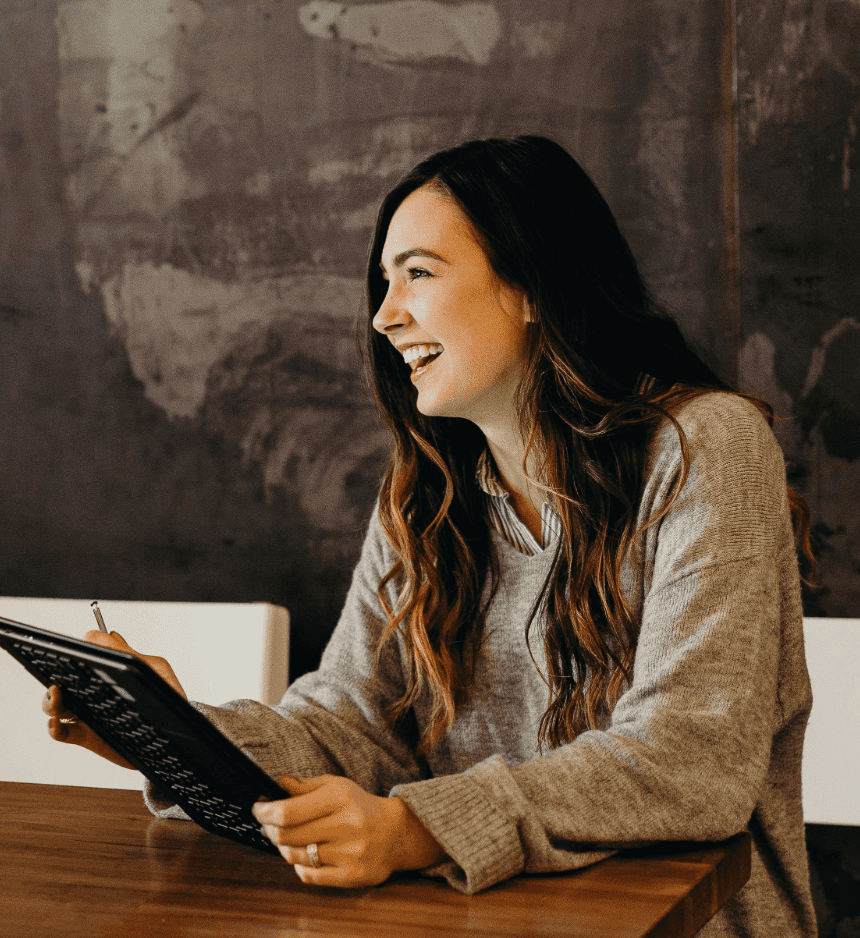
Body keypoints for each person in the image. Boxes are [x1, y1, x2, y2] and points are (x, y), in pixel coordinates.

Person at [43, 135, 817, 937]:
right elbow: (349, 728)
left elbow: (690, 761)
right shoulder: (426, 494)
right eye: (384, 283)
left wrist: (415, 830)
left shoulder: (705, 447)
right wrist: (177, 736)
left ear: (532, 288)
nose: (384, 317)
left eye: (417, 272)